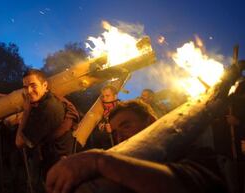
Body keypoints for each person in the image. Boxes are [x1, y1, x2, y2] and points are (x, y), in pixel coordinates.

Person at [46, 100, 231, 193]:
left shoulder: (195, 152)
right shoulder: (118, 165)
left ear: (151, 122)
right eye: (116, 132)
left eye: (126, 125)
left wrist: (98, 161)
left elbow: (189, 185)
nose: (120, 137)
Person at [16, 69, 78, 192]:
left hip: (56, 169)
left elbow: (19, 142)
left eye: (33, 86)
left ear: (45, 85)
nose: (28, 91)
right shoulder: (51, 99)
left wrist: (26, 111)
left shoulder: (47, 109)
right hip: (57, 166)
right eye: (25, 87)